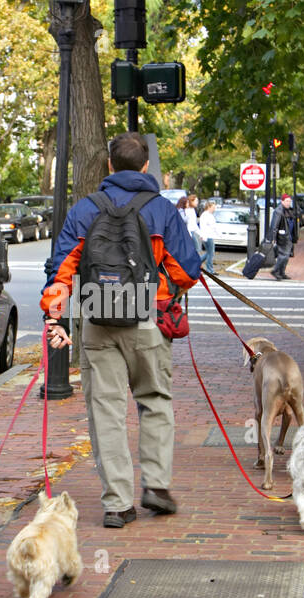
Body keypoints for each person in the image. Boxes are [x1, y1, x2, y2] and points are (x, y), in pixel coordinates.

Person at [41, 133, 203, 529]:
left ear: (109, 166)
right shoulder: (162, 211)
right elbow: (188, 272)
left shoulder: (84, 210)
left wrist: (54, 317)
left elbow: (60, 272)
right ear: (146, 166)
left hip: (97, 319)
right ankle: (157, 486)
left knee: (106, 411)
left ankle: (117, 503)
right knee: (155, 401)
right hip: (148, 319)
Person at [267, 195, 298, 280]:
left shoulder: (289, 211)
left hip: (289, 237)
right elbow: (274, 225)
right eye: (287, 201)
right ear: (282, 201)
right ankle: (275, 271)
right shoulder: (278, 211)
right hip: (282, 237)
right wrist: (273, 238)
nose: (288, 203)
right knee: (283, 255)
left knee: (286, 256)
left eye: (289, 201)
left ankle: (281, 272)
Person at [198, 200, 218, 272]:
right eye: (213, 207)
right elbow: (203, 227)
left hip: (208, 236)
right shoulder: (206, 215)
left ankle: (197, 263)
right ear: (209, 207)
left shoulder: (209, 215)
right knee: (210, 253)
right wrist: (203, 236)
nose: (214, 209)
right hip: (207, 236)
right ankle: (210, 269)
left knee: (209, 252)